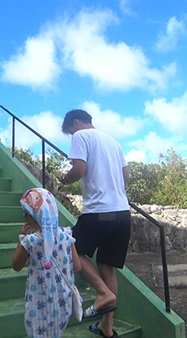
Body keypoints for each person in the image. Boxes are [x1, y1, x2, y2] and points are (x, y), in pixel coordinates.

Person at [59, 109, 130, 338]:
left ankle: (102, 293)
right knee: (107, 266)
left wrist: (65, 179)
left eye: (70, 131)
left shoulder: (81, 136)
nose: (72, 135)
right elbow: (126, 178)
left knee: (71, 250)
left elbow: (79, 170)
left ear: (76, 123)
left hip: (98, 212)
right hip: (122, 213)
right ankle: (106, 327)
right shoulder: (114, 142)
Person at [13, 188, 82, 338]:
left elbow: (16, 266)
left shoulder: (31, 241)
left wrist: (22, 239)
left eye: (26, 214)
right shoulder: (66, 235)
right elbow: (77, 267)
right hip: (63, 301)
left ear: (32, 216)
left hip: (39, 304)